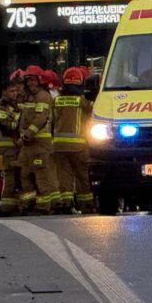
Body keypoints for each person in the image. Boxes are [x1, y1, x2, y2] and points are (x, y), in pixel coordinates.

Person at [17, 64, 59, 214]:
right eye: (28, 81)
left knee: (41, 175)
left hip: (40, 143)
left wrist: (27, 135)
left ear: (40, 80)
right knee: (25, 173)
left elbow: (40, 119)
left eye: (33, 80)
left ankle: (44, 206)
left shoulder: (43, 96)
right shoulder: (30, 97)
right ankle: (29, 203)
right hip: (28, 145)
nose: (30, 83)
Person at [53, 67, 94, 213]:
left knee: (64, 176)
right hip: (79, 146)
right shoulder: (83, 101)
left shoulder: (56, 100)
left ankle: (66, 203)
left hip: (58, 146)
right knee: (82, 176)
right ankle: (87, 205)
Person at [0, 70, 24, 215]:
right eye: (11, 91)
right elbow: (4, 125)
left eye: (15, 91)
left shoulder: (16, 104)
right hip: (8, 147)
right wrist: (17, 120)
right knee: (10, 176)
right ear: (4, 92)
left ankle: (17, 205)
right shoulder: (0, 106)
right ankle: (7, 207)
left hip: (16, 147)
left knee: (19, 175)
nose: (15, 93)